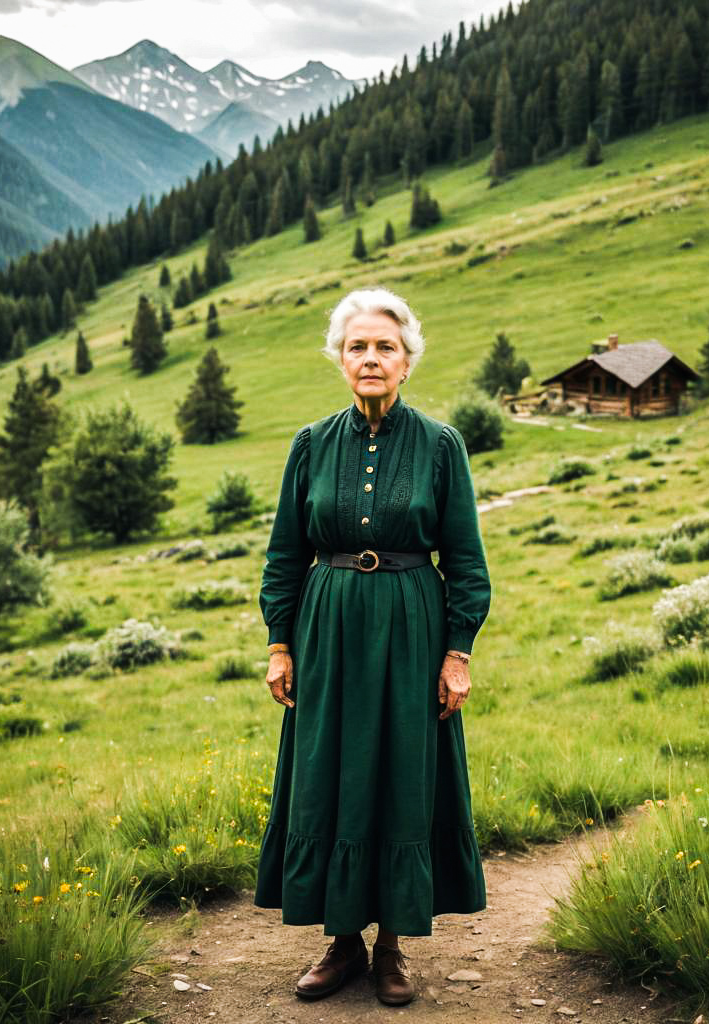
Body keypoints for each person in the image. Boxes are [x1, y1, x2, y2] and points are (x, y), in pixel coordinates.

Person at [253, 287, 492, 1006]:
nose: (370, 357)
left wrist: (458, 653)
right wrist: (279, 643)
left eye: (385, 346)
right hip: (326, 634)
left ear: (407, 362)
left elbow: (467, 561)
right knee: (329, 778)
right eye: (357, 346)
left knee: (400, 777)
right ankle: (342, 941)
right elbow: (284, 557)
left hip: (411, 633)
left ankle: (390, 947)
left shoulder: (441, 446)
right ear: (339, 359)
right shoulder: (310, 445)